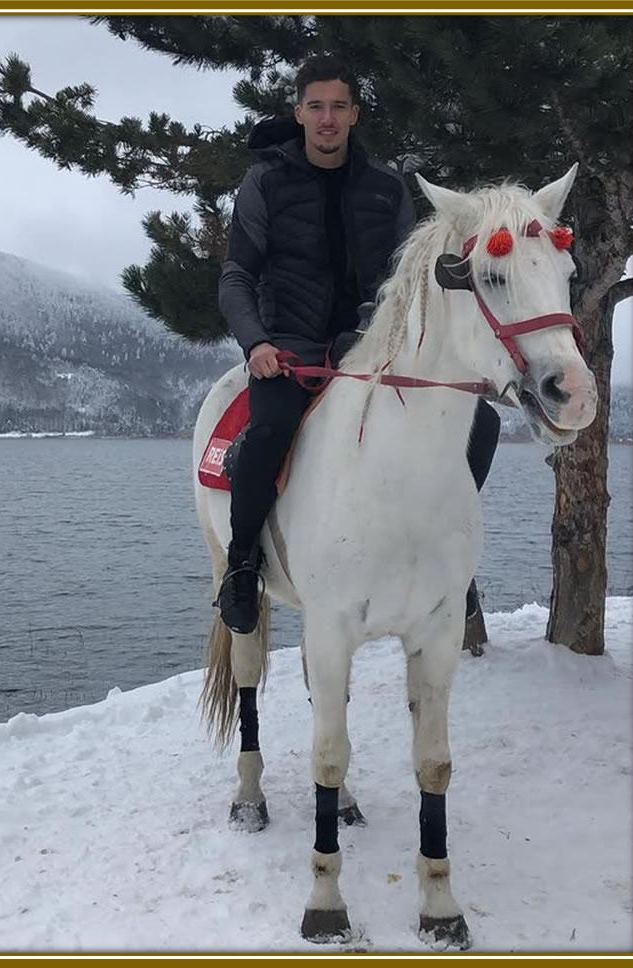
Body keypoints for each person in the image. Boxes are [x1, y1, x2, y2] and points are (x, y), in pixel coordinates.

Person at [215, 54, 499, 635]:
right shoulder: (266, 180)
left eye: (338, 107)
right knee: (267, 433)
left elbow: (407, 278)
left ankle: (452, 561)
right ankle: (242, 566)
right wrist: (256, 343)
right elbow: (237, 275)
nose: (327, 118)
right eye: (316, 107)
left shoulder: (385, 187)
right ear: (298, 113)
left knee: (483, 425)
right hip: (288, 349)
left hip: (370, 348)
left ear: (355, 114)